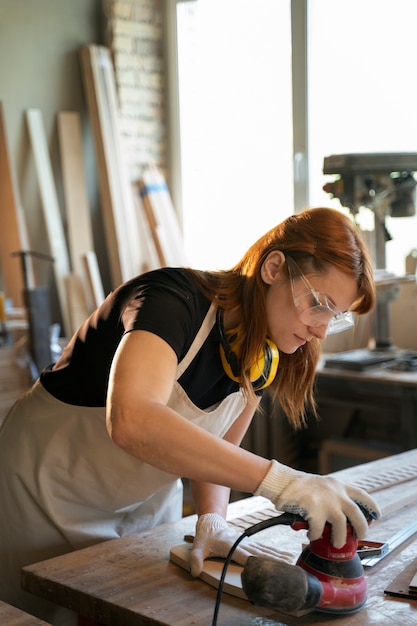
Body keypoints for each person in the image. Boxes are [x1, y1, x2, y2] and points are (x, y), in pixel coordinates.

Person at [0, 207, 380, 625]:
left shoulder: (265, 350)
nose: (323, 330)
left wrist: (213, 518)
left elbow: (215, 454)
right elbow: (132, 419)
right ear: (273, 267)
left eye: (335, 316)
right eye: (319, 304)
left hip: (139, 504)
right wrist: (284, 482)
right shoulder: (169, 300)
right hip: (44, 492)